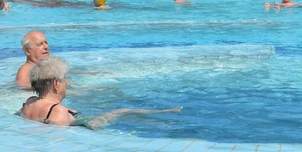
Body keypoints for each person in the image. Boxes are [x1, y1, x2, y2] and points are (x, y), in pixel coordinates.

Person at [20, 56, 181, 128]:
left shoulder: (29, 102)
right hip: (87, 124)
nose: (67, 83)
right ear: (56, 84)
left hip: (71, 117)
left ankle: (164, 111)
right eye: (64, 79)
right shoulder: (58, 111)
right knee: (122, 111)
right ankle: (165, 112)